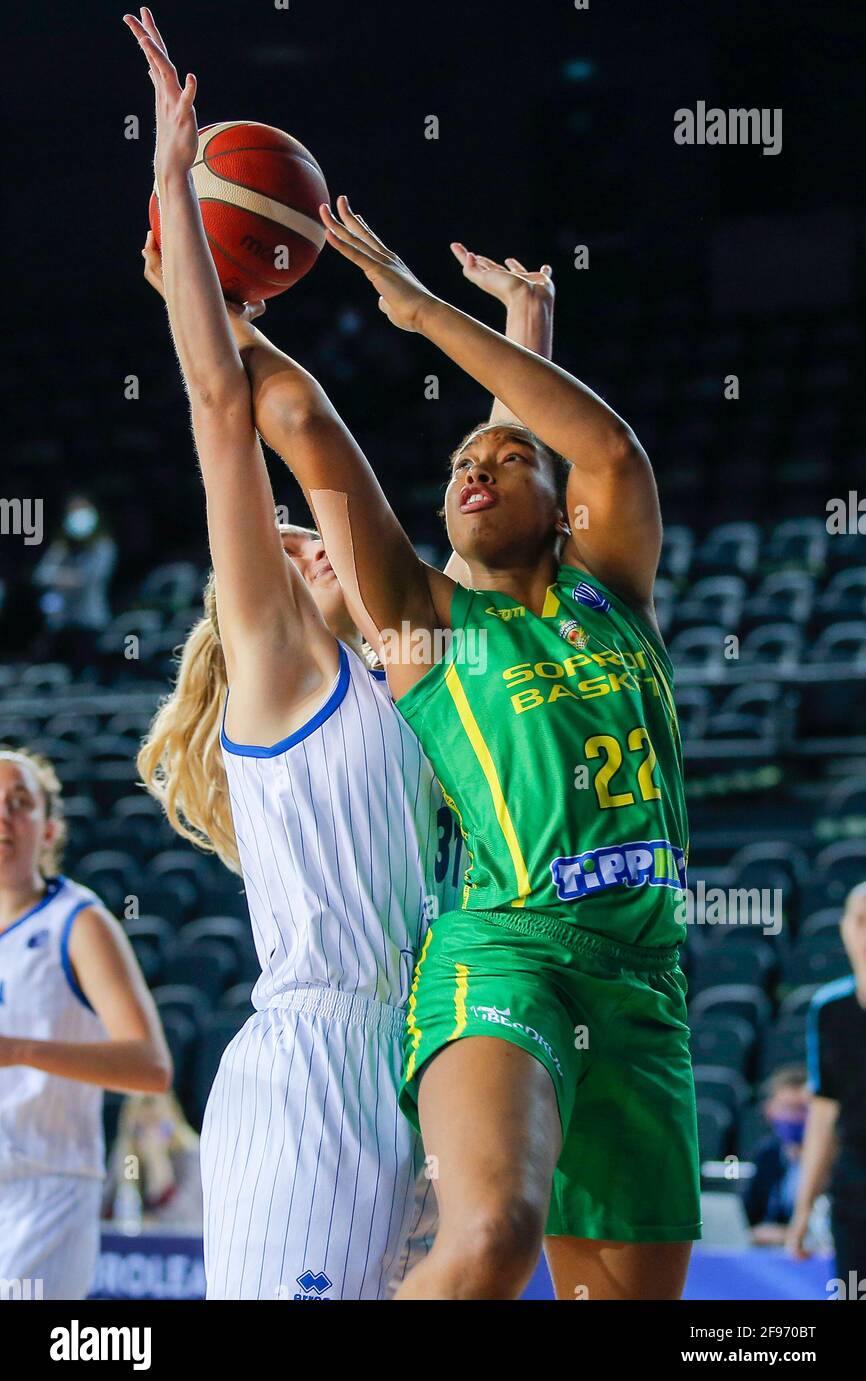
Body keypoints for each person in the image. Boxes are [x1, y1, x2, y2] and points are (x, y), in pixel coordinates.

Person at [215, 179, 701, 1297]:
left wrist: (445, 314)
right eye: (457, 467)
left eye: (507, 460)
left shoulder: (612, 590)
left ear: (559, 506)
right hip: (506, 952)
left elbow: (611, 450)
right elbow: (296, 418)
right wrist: (202, 286)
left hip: (646, 985)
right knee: (490, 1237)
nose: (475, 468)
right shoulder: (427, 624)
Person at [126, 9, 468, 1300]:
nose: (308, 544)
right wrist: (179, 201)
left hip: (408, 1064)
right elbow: (234, 416)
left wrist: (517, 340)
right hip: (310, 1073)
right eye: (286, 546)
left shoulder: (415, 666)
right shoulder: (283, 677)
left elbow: (492, 529)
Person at [0, 748, 172, 1299]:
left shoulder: (78, 921)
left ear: (48, 830)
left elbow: (151, 1066)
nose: (3, 816)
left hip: (45, 1190)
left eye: (19, 804)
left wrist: (21, 1050)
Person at [787, 883, 866, 1281]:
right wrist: (803, 1211)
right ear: (844, 929)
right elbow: (823, 1115)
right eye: (861, 922)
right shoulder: (829, 1009)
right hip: (854, 1188)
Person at [32, 494, 116, 665]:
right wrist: (66, 577)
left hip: (89, 623)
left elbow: (87, 580)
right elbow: (40, 575)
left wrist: (60, 577)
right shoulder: (61, 547)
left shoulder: (104, 547)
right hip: (61, 623)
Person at [104, 1092, 202, 1229]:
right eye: (142, 1129)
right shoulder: (128, 1156)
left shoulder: (190, 1153)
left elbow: (185, 1219)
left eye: (157, 1127)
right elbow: (109, 1211)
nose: (150, 1136)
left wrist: (158, 1162)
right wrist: (129, 1173)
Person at [743, 1065, 809, 1243]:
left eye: (802, 1109)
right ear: (769, 1110)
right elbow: (749, 1214)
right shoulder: (767, 1154)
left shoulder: (835, 1158)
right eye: (787, 1108)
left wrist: (786, 1234)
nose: (794, 1118)